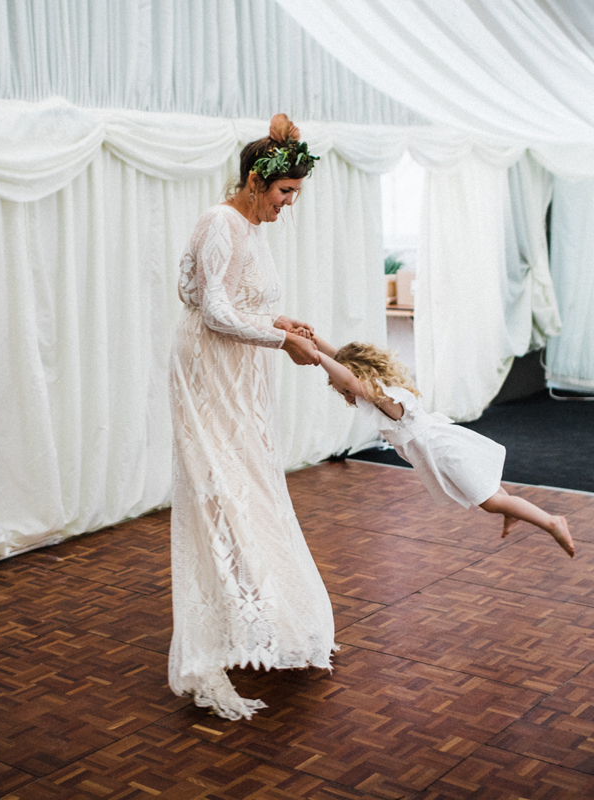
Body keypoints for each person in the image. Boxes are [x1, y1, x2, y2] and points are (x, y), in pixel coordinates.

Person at [167, 114, 336, 720]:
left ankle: (262, 619)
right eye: (285, 192)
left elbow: (244, 303)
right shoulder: (220, 222)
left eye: (294, 194)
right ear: (255, 180)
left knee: (254, 486)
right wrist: (278, 340)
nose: (288, 204)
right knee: (221, 491)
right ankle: (212, 638)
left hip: (242, 371)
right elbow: (213, 311)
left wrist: (282, 323)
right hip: (209, 371)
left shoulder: (254, 229)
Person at [312, 337, 574, 557]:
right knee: (491, 492)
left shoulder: (384, 398)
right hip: (441, 445)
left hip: (444, 453)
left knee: (491, 502)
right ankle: (513, 511)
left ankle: (552, 522)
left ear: (362, 376)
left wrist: (314, 355)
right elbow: (342, 362)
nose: (347, 395)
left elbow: (348, 379)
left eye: (345, 390)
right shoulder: (381, 389)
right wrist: (314, 341)